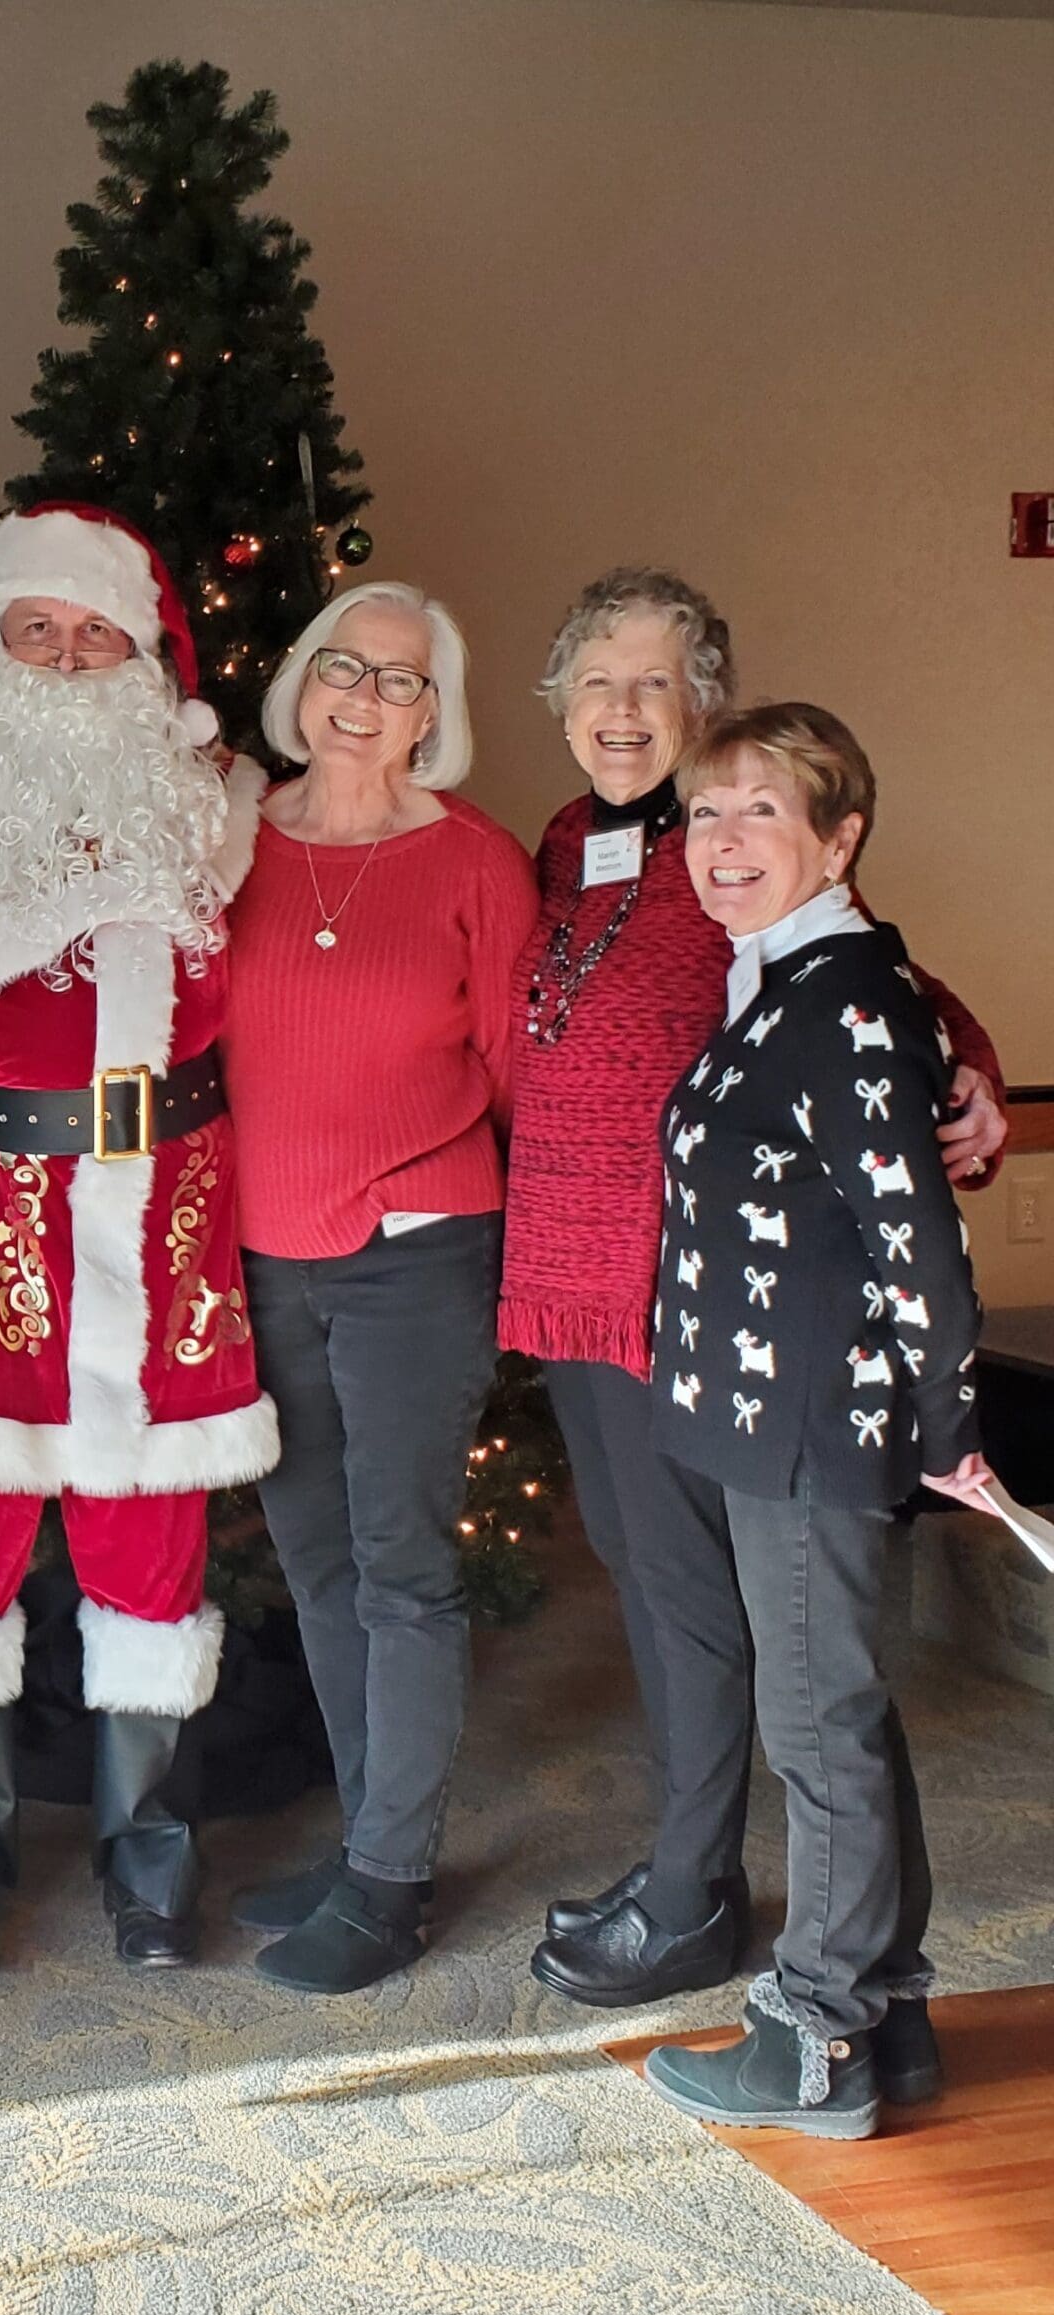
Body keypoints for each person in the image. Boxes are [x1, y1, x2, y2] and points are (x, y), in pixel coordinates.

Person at [504, 570, 1005, 2009]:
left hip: (692, 1292)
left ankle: (693, 1894)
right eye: (597, 680)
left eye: (655, 683)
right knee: (651, 1583)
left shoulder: (734, 847)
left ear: (704, 703)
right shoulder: (566, 844)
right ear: (560, 703)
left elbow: (879, 980)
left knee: (706, 1612)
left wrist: (971, 1071)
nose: (621, 709)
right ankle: (698, 1871)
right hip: (568, 1275)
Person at [0, 505, 276, 1978]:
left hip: (170, 1224)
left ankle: (151, 1862)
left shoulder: (218, 803)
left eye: (97, 632)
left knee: (152, 1554)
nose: (65, 654)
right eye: (35, 627)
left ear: (144, 655)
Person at [640, 704, 994, 2137]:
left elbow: (918, 1235)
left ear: (838, 840)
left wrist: (951, 1418)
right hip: (771, 1411)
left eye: (763, 813)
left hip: (809, 1422)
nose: (722, 844)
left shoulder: (841, 998)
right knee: (840, 1712)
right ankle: (890, 2014)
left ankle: (818, 2040)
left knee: (818, 1726)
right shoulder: (785, 978)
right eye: (705, 814)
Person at [218, 581, 539, 1994]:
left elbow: (522, 1076)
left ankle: (393, 1883)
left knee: (401, 1569)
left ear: (432, 713)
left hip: (419, 1249)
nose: (366, 696)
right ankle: (367, 1838)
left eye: (401, 679)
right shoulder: (232, 837)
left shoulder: (476, 862)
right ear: (303, 681)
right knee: (316, 1561)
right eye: (344, 666)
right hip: (263, 1252)